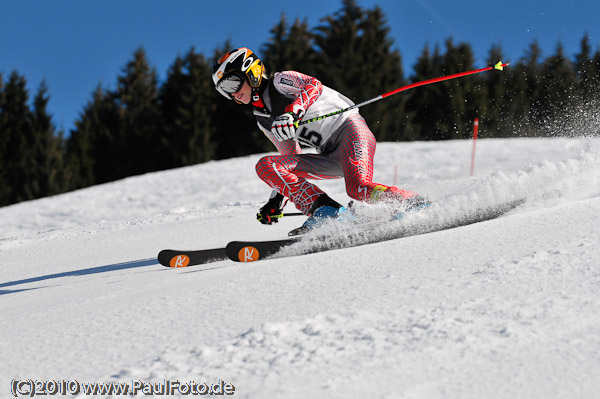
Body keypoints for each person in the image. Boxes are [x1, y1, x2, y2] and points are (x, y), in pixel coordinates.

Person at [212, 47, 429, 235]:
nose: (233, 95)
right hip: (329, 155)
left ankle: (413, 203)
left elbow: (312, 85)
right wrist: (277, 199)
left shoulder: (280, 81)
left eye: (232, 84)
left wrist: (292, 112)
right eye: (224, 91)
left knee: (357, 188)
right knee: (267, 167)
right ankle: (328, 211)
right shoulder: (263, 121)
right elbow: (290, 158)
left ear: (252, 73)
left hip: (351, 131)